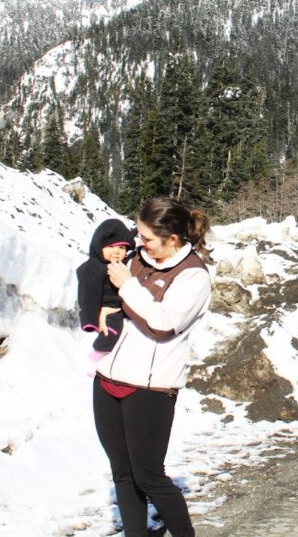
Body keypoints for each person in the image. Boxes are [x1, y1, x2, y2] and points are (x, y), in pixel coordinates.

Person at [94, 196, 213, 537]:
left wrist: (127, 287)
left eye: (146, 237)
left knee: (149, 475)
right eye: (138, 234)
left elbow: (163, 323)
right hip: (108, 377)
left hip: (150, 387)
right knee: (122, 471)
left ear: (172, 238)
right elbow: (110, 294)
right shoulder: (136, 258)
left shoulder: (193, 276)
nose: (139, 242)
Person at [76, 218, 136, 353]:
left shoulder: (120, 264)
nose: (117, 251)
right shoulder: (93, 267)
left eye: (121, 247)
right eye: (111, 247)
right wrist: (90, 320)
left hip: (118, 309)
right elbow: (88, 295)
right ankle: (97, 356)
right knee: (110, 335)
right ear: (99, 246)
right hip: (106, 309)